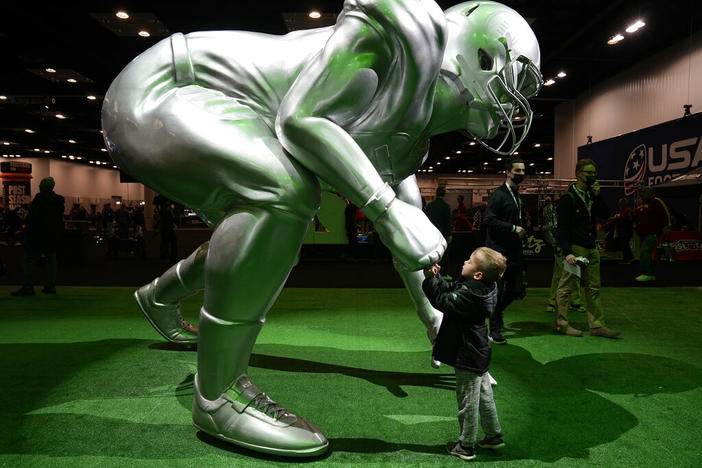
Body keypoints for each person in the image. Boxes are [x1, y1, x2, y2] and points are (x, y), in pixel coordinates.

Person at [102, 0, 542, 456]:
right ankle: (217, 394)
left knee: (266, 231)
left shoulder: (414, 128)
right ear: (482, 55)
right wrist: (385, 209)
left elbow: (412, 249)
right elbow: (300, 119)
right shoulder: (409, 34)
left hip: (203, 100)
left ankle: (160, 294)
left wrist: (441, 326)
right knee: (283, 192)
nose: (517, 101)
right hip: (163, 90)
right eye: (516, 83)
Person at [422, 247, 507, 462]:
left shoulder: (470, 294)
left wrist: (430, 282)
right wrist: (437, 277)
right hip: (478, 352)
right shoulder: (484, 287)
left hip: (467, 355)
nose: (464, 262)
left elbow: (443, 301)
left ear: (478, 274)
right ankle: (494, 436)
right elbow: (454, 288)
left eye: (469, 262)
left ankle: (465, 445)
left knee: (468, 402)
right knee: (485, 397)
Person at [555, 159, 620, 338]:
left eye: (594, 173)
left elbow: (605, 215)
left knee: (594, 288)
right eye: (588, 172)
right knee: (567, 287)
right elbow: (562, 228)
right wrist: (567, 251)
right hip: (575, 249)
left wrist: (598, 196)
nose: (592, 176)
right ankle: (561, 324)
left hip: (591, 248)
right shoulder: (568, 199)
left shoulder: (592, 195)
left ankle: (597, 325)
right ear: (578, 174)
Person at [483, 157, 527, 345]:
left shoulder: (516, 195)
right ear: (508, 172)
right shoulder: (499, 195)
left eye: (523, 171)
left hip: (514, 251)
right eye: (517, 171)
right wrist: (512, 228)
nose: (521, 174)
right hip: (499, 251)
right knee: (497, 291)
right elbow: (488, 219)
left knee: (517, 290)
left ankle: (497, 313)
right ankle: (494, 329)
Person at [11, 177, 65, 296]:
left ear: (42, 186)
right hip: (52, 236)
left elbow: (33, 219)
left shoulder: (39, 199)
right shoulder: (59, 200)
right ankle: (50, 286)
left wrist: (24, 231)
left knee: (29, 260)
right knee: (51, 261)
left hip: (37, 236)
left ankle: (28, 287)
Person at [543, 196, 583, 314]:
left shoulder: (576, 212)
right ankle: (552, 302)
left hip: (574, 246)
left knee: (575, 274)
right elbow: (553, 229)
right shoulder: (557, 213)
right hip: (562, 247)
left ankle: (575, 302)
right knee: (559, 275)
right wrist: (557, 245)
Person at [633, 186, 671, 282]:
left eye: (644, 191)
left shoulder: (657, 202)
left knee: (645, 251)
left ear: (651, 192)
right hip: (642, 233)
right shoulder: (640, 203)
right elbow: (637, 217)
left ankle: (648, 273)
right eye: (641, 192)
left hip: (652, 233)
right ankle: (646, 272)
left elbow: (665, 215)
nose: (642, 193)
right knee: (644, 253)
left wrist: (666, 227)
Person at [426, 186, 453, 274]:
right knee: (444, 254)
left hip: (431, 234)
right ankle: (444, 273)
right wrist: (449, 234)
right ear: (444, 194)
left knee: (432, 253)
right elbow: (448, 222)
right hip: (443, 234)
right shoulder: (446, 206)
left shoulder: (430, 206)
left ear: (436, 193)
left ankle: (432, 272)